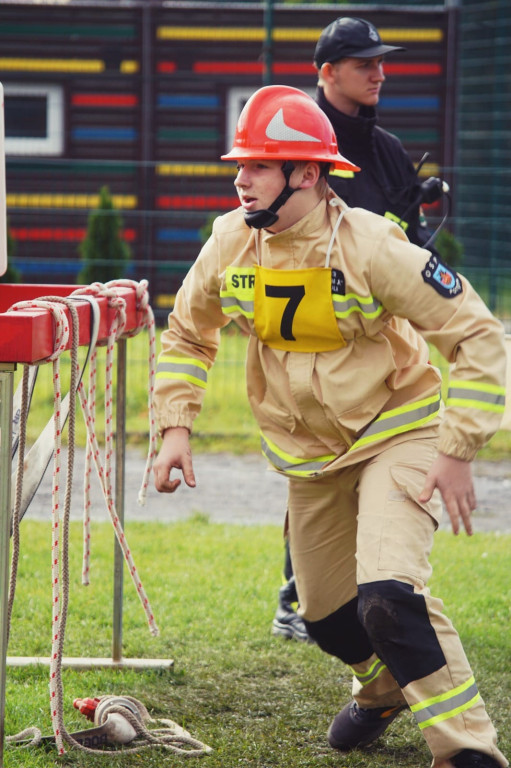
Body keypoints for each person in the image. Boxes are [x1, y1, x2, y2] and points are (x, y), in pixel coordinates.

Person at [152, 84, 507, 768]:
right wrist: (175, 428)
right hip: (307, 454)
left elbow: (476, 333)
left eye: (257, 164)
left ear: (306, 175)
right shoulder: (230, 241)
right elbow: (187, 335)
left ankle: (466, 750)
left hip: (398, 430)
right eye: (240, 163)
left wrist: (459, 446)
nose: (239, 177)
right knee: (326, 617)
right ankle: (381, 690)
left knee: (387, 595)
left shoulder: (372, 246)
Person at [272, 15, 443, 642]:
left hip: (387, 344)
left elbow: (415, 249)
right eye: (364, 63)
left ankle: (386, 590)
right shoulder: (303, 153)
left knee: (385, 474)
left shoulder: (389, 148)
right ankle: (301, 595)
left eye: (380, 61)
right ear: (326, 73)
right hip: (316, 339)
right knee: (319, 469)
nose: (380, 72)